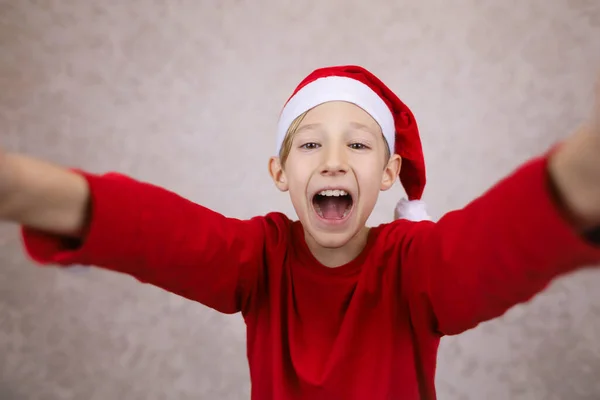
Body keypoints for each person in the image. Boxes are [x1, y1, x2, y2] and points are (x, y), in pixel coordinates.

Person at [1, 65, 600, 400]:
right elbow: (162, 234)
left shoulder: (414, 264)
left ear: (390, 173)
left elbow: (485, 250)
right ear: (281, 173)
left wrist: (577, 177)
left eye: (359, 145)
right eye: (311, 143)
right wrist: (28, 190)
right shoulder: (257, 259)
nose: (334, 160)